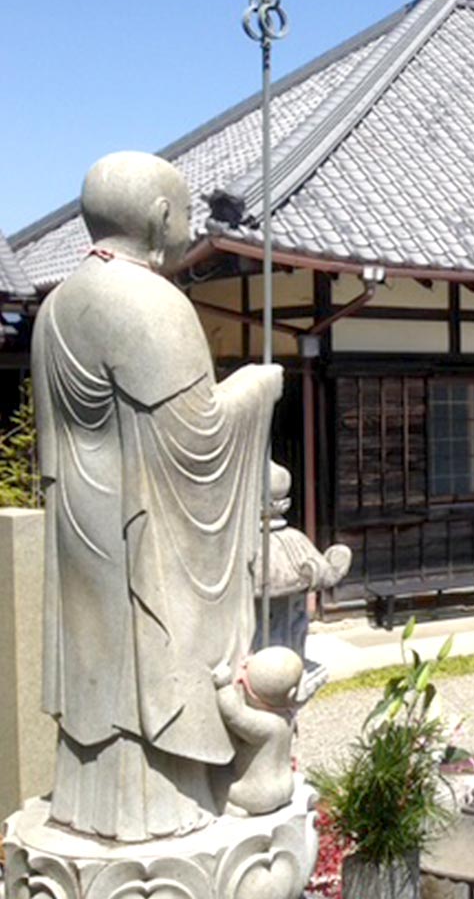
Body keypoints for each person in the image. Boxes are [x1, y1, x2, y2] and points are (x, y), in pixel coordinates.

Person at [32, 151, 282, 841]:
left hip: (84, 521)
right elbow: (195, 439)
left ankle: (87, 804)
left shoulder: (54, 309)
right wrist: (257, 389)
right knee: (147, 662)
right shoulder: (149, 302)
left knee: (99, 664)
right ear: (159, 216)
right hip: (141, 531)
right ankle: (169, 806)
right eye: (181, 212)